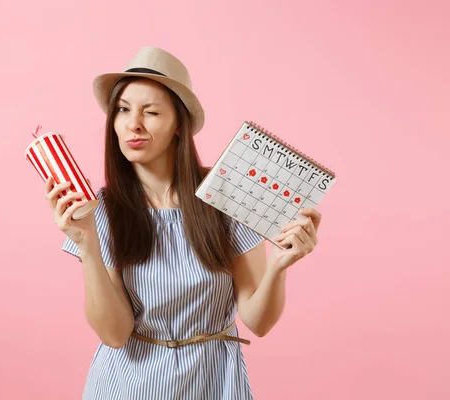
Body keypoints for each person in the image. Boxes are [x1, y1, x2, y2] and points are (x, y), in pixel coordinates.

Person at [45, 46, 323, 399]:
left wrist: (280, 265)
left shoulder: (227, 196)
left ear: (179, 125)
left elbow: (258, 321)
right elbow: (114, 334)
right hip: (127, 386)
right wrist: (87, 242)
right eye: (123, 110)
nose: (134, 124)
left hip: (213, 381)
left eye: (152, 112)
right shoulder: (99, 210)